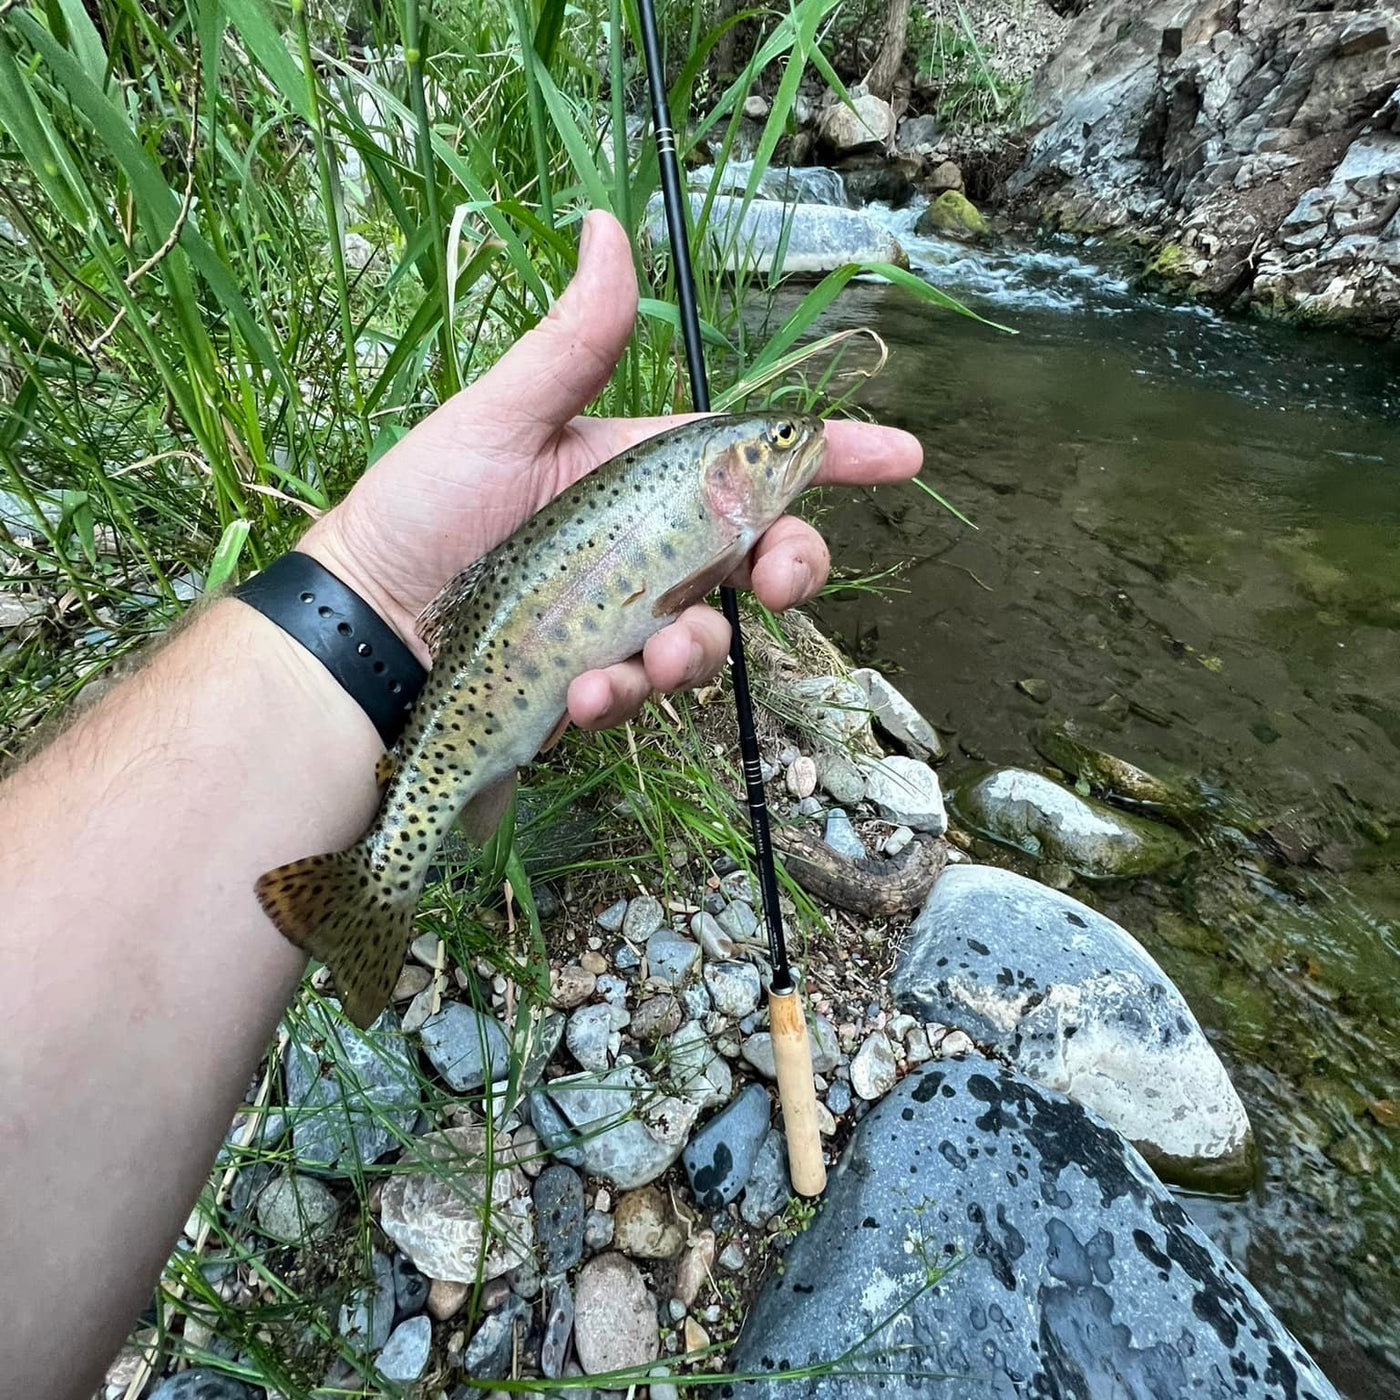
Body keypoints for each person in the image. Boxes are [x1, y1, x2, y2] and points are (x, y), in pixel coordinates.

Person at [0, 209, 921, 1398]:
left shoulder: (706, 502)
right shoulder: (693, 497)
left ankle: (373, 886)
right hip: (472, 700)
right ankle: (374, 888)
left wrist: (360, 602)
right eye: (780, 442)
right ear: (728, 477)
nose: (794, 451)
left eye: (788, 439)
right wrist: (376, 585)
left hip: (469, 692)